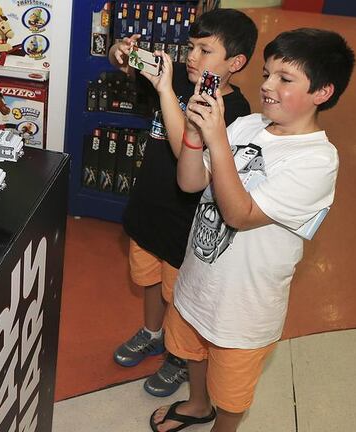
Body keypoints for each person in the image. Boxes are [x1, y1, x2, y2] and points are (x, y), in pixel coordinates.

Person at [150, 28, 355, 432]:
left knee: (231, 390)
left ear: (322, 92)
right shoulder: (246, 126)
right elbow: (191, 182)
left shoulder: (317, 161)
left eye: (285, 78)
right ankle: (195, 405)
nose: (267, 86)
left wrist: (216, 139)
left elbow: (239, 214)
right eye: (266, 74)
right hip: (199, 279)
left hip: (244, 308)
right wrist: (194, 135)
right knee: (193, 350)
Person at [107, 9, 258, 398]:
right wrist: (120, 51)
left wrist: (165, 92)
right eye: (191, 47)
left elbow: (184, 152)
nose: (192, 57)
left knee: (182, 300)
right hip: (149, 210)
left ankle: (179, 356)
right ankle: (152, 333)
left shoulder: (234, 113)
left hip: (186, 227)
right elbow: (118, 59)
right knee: (149, 281)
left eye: (206, 50)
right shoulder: (175, 75)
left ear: (235, 63)